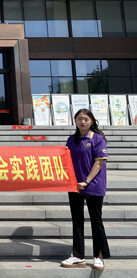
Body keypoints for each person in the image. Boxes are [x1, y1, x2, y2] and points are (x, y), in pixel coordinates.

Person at [61, 108, 110, 271]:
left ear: (92, 121)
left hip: (93, 184)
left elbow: (99, 162)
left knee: (96, 221)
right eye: (79, 119)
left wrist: (87, 181)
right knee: (77, 220)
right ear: (75, 121)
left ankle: (99, 257)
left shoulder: (98, 138)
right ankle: (78, 256)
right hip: (74, 185)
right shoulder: (71, 140)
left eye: (86, 119)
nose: (82, 122)